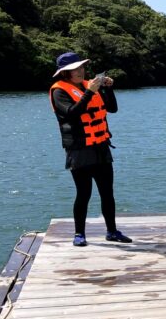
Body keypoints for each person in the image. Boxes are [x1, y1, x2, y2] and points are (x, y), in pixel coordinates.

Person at [49, 52, 133, 247]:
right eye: (75, 69)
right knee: (83, 193)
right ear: (66, 73)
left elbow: (111, 108)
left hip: (101, 146)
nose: (80, 71)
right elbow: (72, 113)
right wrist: (90, 91)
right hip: (79, 149)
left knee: (107, 192)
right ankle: (79, 234)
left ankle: (112, 231)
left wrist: (107, 89)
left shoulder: (90, 85)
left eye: (81, 68)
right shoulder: (59, 91)